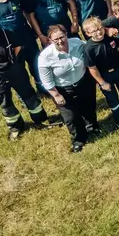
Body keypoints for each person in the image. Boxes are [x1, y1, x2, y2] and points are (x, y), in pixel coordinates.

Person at [36, 25, 98, 153]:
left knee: (89, 106)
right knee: (70, 117)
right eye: (56, 39)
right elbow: (46, 80)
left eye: (62, 37)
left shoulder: (77, 43)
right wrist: (56, 95)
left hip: (84, 82)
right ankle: (78, 139)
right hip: (63, 90)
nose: (60, 41)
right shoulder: (45, 57)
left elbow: (91, 48)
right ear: (50, 40)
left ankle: (92, 127)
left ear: (66, 35)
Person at [81, 16, 119, 126]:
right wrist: (102, 82)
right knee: (112, 99)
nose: (98, 32)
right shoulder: (88, 49)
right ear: (88, 33)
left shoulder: (110, 37)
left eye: (100, 28)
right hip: (105, 76)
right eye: (94, 31)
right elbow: (92, 68)